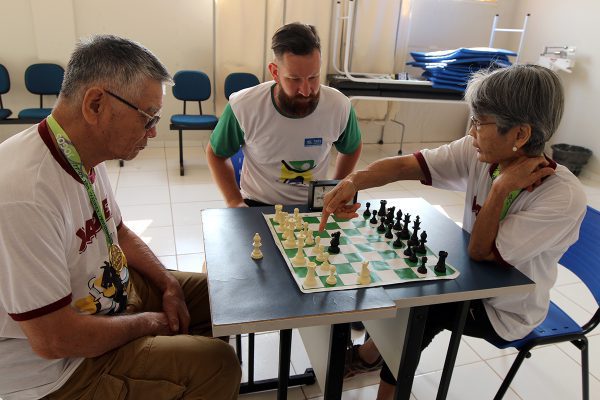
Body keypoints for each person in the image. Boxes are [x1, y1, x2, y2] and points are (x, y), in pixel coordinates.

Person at [318, 64, 587, 399]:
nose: (471, 131)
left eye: (480, 122)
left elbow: (480, 252)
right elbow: (405, 166)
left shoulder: (561, 196)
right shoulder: (478, 151)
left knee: (421, 308)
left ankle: (379, 380)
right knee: (405, 280)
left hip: (506, 309)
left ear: (520, 135)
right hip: (470, 280)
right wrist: (352, 181)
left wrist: (500, 189)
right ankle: (371, 354)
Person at [0, 35, 240, 400]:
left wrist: (168, 284)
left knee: (222, 297)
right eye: (147, 117)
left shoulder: (81, 150)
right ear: (95, 104)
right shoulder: (24, 195)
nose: (153, 132)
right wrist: (148, 324)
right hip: (62, 369)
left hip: (109, 295)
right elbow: (53, 339)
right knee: (219, 364)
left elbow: (118, 232)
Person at [206, 22, 362, 207]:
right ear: (275, 72)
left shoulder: (339, 105)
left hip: (312, 205)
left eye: (313, 77)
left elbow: (352, 148)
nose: (306, 90)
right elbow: (216, 154)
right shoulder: (244, 106)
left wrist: (335, 189)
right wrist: (234, 201)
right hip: (257, 204)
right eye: (294, 79)